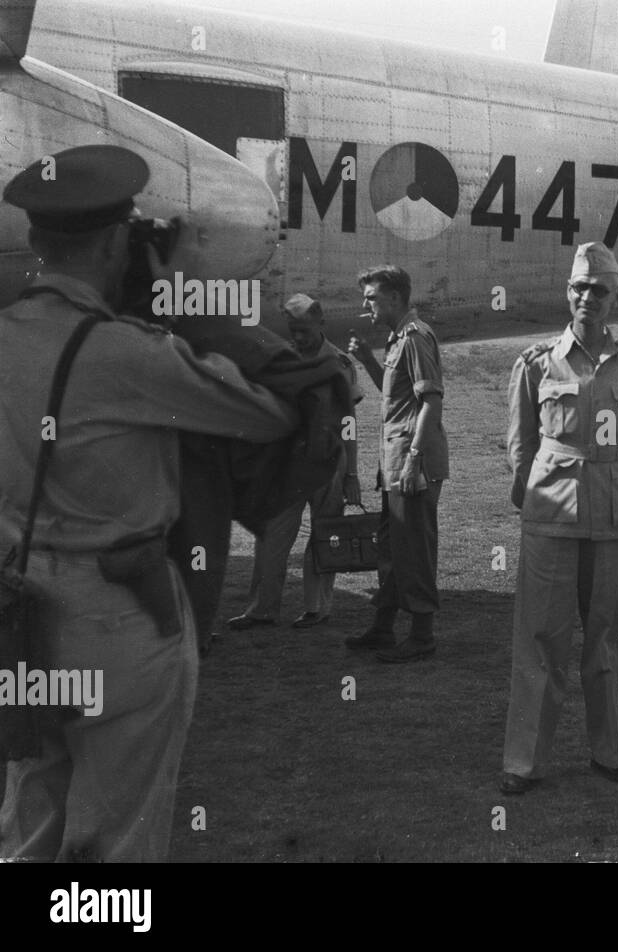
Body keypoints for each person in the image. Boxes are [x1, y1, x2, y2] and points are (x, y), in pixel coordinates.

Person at [0, 145, 299, 861]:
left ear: (38, 240)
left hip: (18, 616)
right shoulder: (128, 352)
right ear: (115, 242)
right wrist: (179, 305)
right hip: (117, 616)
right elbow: (267, 414)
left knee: (31, 821)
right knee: (116, 838)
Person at [499, 242, 618, 794]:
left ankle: (608, 753)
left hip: (611, 516)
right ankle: (523, 762)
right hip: (551, 514)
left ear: (616, 296)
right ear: (569, 292)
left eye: (601, 290)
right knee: (540, 638)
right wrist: (541, 491)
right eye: (581, 288)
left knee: (605, 638)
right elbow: (521, 444)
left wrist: (608, 479)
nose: (590, 298)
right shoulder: (536, 362)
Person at [227, 293, 363, 631]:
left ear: (321, 323)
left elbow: (348, 423)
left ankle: (318, 608)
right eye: (293, 330)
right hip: (287, 464)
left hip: (328, 462)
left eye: (304, 330)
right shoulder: (281, 358)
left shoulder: (340, 363)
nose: (298, 337)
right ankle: (261, 609)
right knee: (271, 535)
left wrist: (351, 474)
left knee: (324, 533)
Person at [346, 266, 448, 662]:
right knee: (390, 546)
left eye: (370, 297)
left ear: (393, 298)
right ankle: (383, 628)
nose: (365, 304)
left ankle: (422, 637)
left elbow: (431, 401)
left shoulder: (415, 337)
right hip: (396, 461)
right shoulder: (395, 339)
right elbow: (395, 396)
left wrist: (414, 461)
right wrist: (365, 359)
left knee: (414, 548)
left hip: (412, 463)